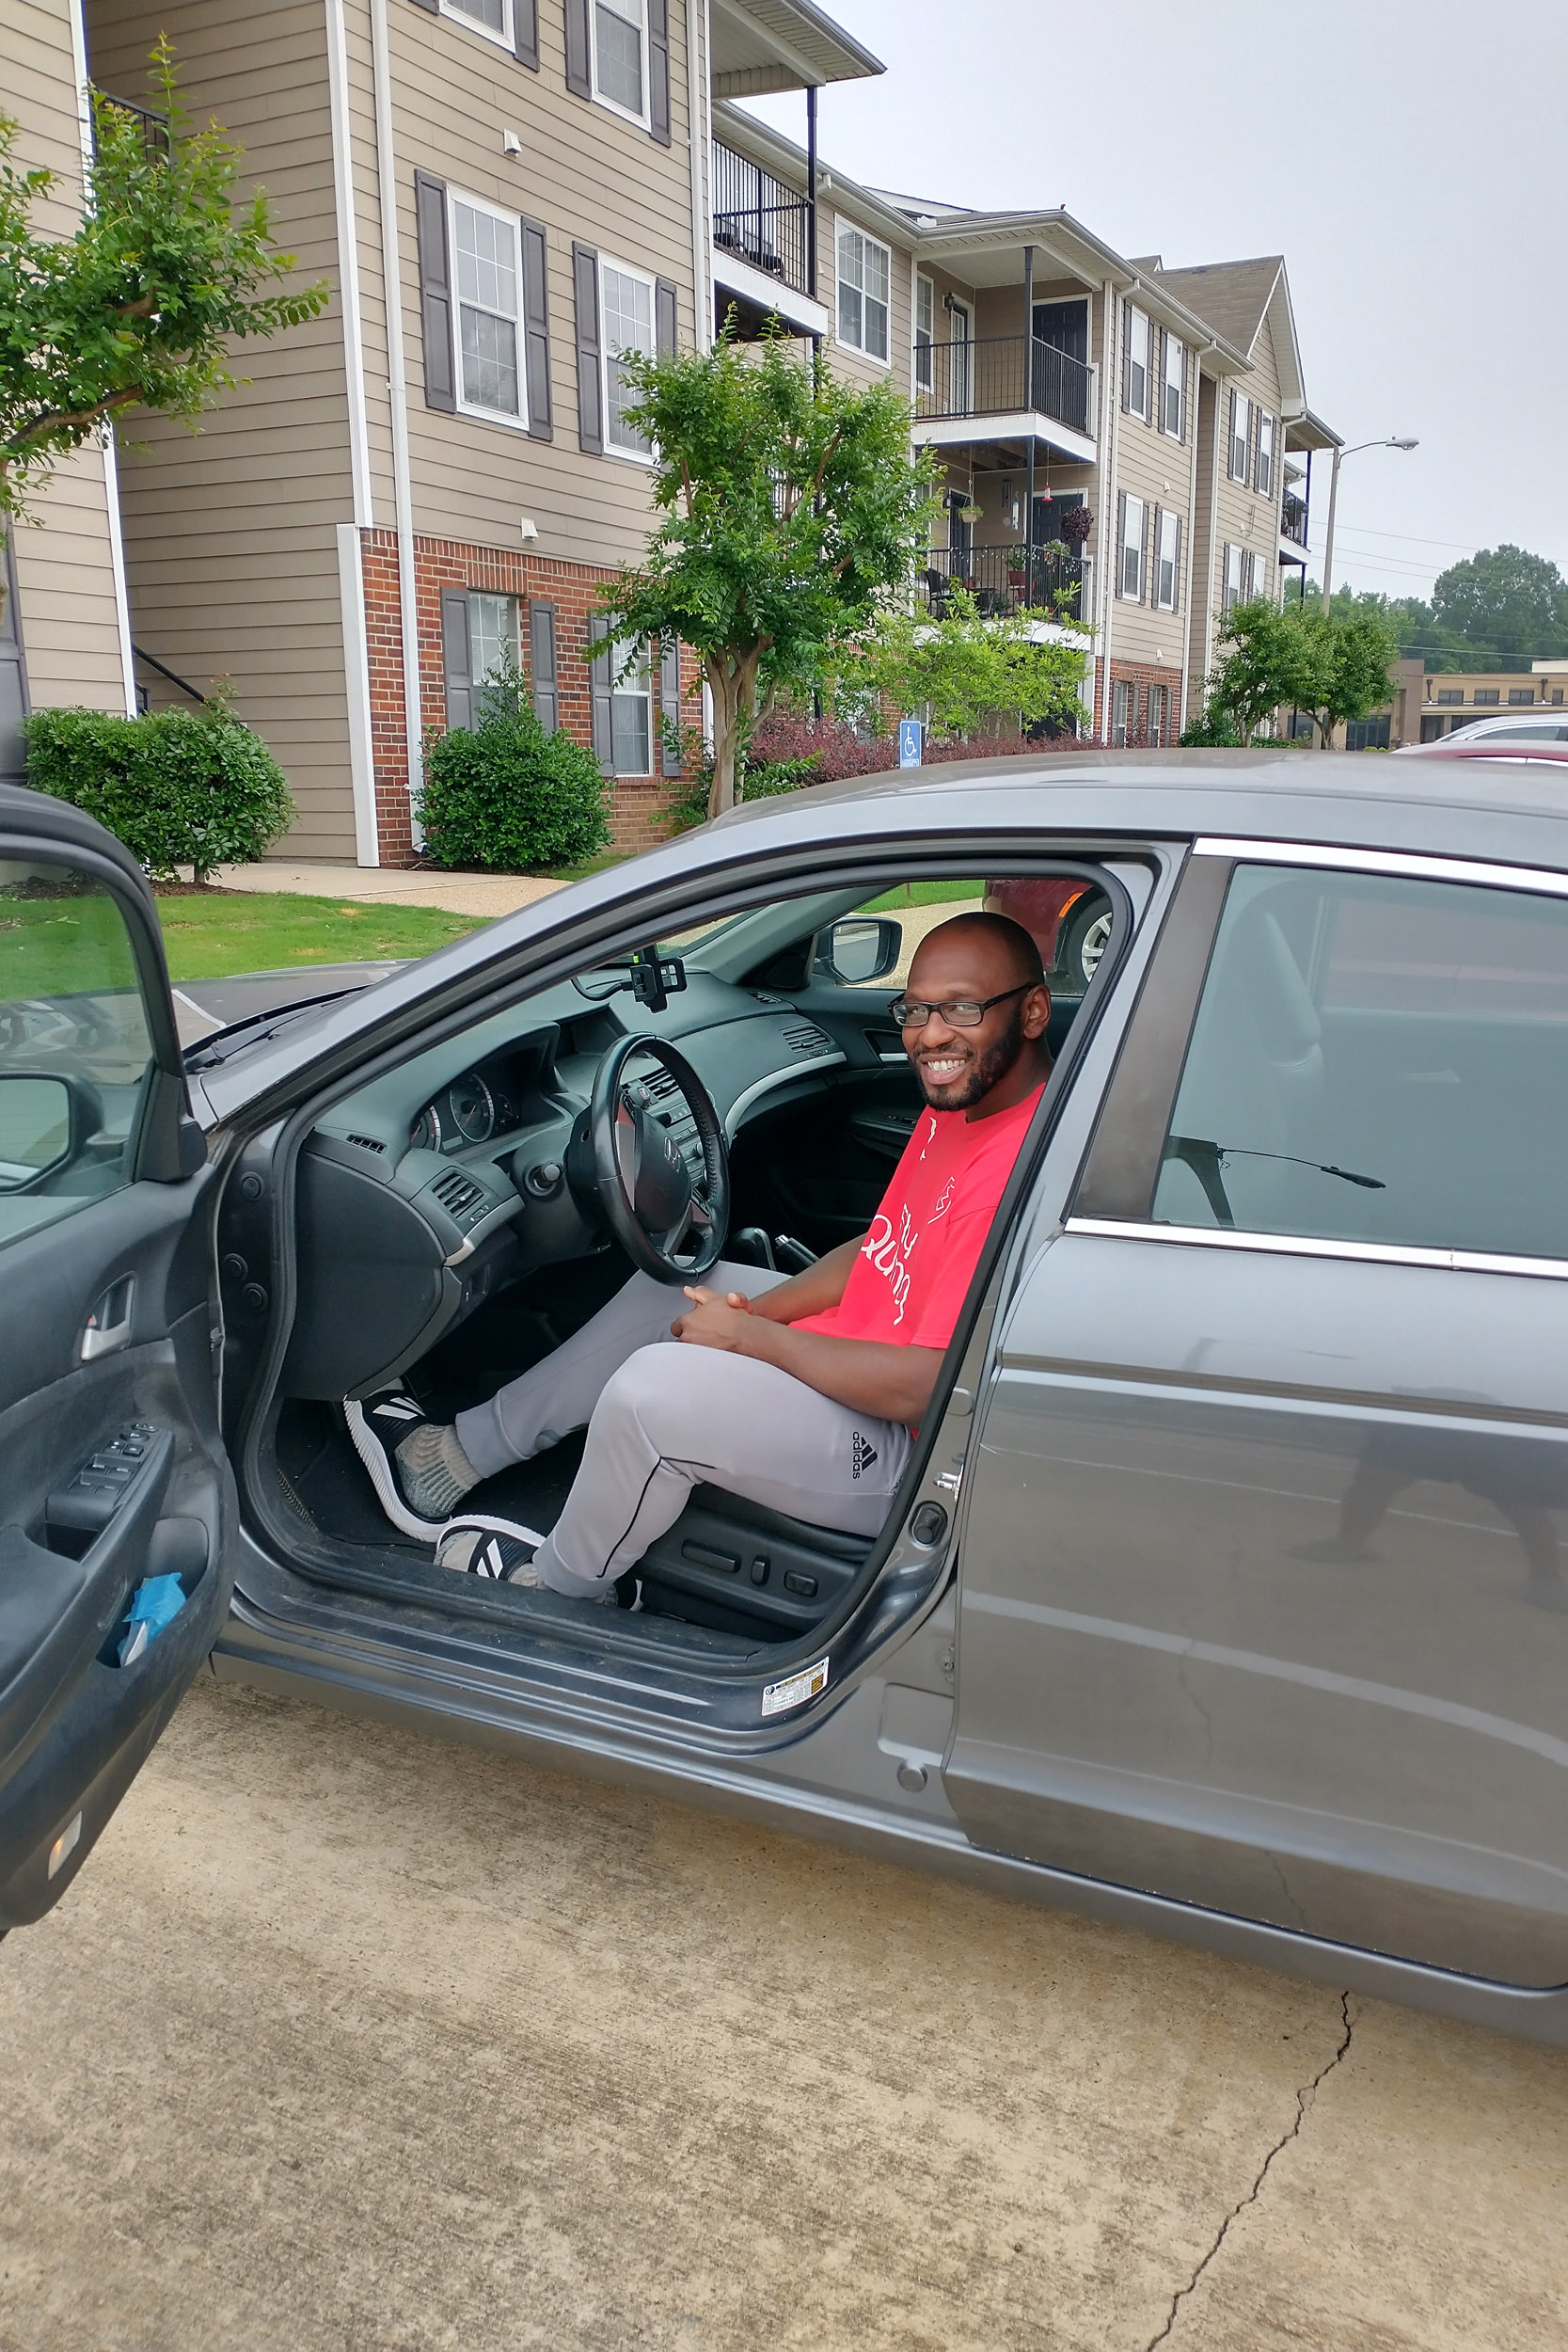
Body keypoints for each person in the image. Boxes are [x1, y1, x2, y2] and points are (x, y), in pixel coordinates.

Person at [346, 911, 1053, 1601]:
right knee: (678, 1289)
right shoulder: (962, 1105)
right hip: (858, 1367)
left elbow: (926, 1387)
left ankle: (561, 1583)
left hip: (905, 1453)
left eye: (961, 1010)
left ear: (1031, 1013)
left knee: (650, 1393)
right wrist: (754, 1311)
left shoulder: (1009, 1166)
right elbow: (884, 1247)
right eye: (916, 1009)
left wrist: (752, 1338)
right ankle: (454, 1460)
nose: (929, 1036)